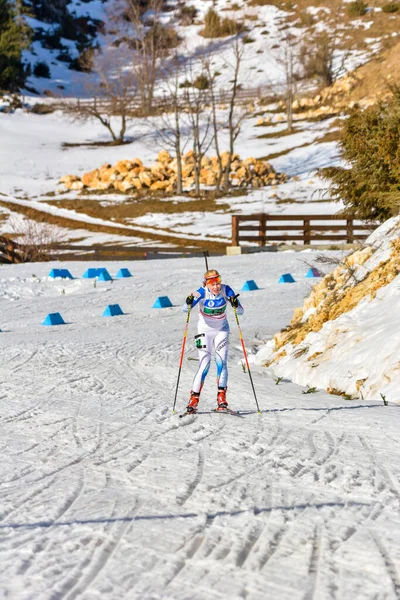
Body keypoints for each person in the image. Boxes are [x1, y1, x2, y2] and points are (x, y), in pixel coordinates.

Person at [183, 269, 243, 413]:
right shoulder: (201, 292)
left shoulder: (226, 290)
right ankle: (193, 400)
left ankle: (222, 400)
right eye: (212, 284)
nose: (216, 287)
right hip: (203, 331)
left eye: (218, 282)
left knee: (221, 362)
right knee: (204, 364)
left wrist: (235, 304)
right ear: (206, 284)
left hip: (222, 329)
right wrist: (188, 302)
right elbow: (185, 309)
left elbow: (240, 311)